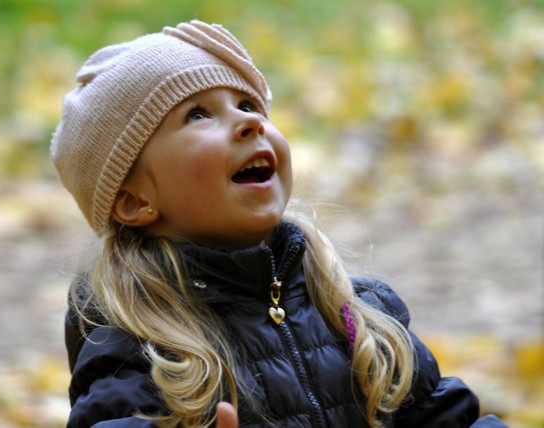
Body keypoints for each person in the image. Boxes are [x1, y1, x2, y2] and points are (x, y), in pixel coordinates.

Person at [51, 20, 506, 428]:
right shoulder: (134, 345)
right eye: (198, 115)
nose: (248, 122)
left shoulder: (358, 311)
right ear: (134, 201)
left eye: (248, 104)